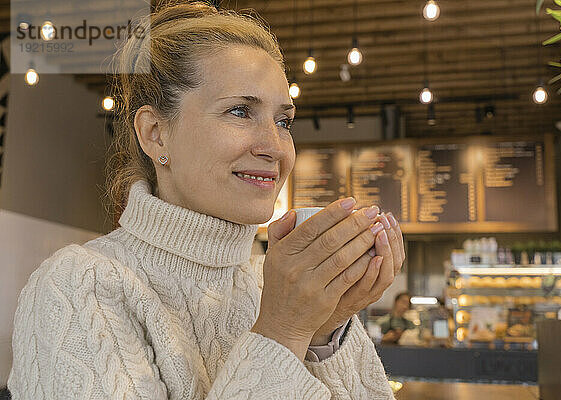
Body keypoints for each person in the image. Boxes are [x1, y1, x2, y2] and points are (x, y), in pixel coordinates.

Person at [8, 2, 407, 399]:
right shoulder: (79, 285)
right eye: (239, 111)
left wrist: (321, 333)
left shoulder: (276, 286)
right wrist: (283, 333)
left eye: (283, 121)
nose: (275, 147)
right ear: (155, 134)